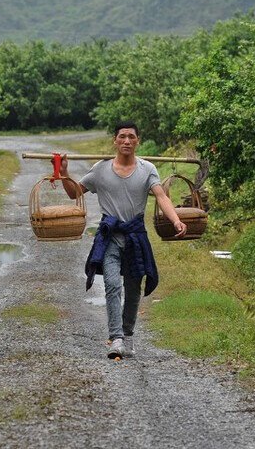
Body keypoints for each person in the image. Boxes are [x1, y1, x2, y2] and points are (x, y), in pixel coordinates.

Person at [61, 121, 186, 359]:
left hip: (135, 237)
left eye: (131, 137)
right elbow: (74, 193)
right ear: (115, 141)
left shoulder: (147, 169)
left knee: (133, 290)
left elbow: (161, 197)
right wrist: (65, 173)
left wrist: (176, 220)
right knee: (112, 285)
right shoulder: (101, 169)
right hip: (110, 236)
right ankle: (116, 338)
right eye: (122, 137)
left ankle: (128, 335)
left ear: (137, 141)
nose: (126, 141)